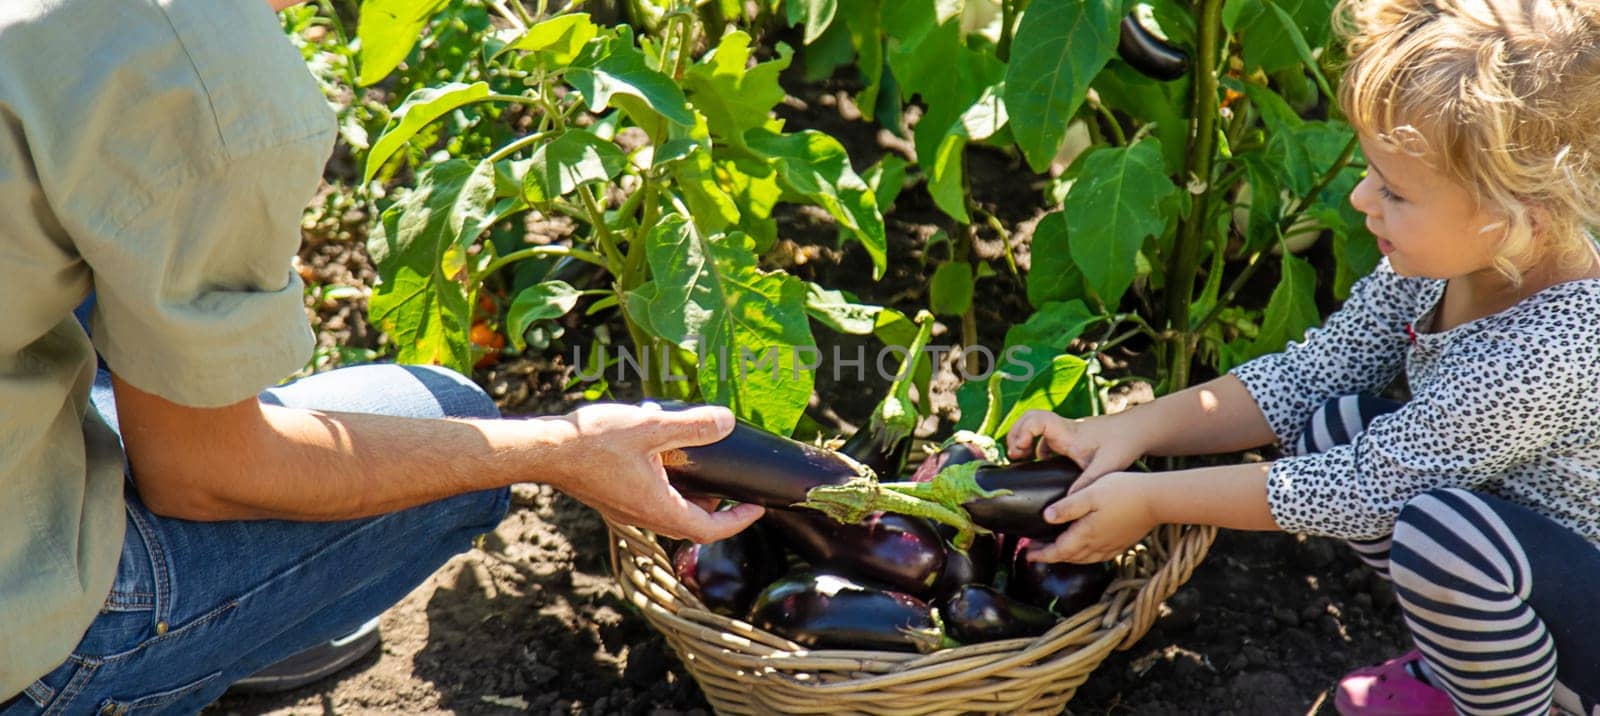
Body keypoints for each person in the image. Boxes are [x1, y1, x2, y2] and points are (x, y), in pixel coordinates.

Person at [0, 0, 762, 711]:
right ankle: (210, 638)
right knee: (448, 416)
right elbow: (200, 479)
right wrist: (560, 450)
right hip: (18, 642)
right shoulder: (202, 74)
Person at [1006, 0, 1600, 713]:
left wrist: (1153, 499)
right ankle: (1476, 669)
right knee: (1333, 419)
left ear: (1514, 216)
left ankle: (1522, 702)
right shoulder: (1455, 265)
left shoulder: (1547, 351)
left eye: (1395, 191)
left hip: (1583, 617)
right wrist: (1131, 430)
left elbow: (1362, 489)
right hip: (1521, 568)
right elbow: (1309, 376)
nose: (1359, 198)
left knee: (1441, 537)